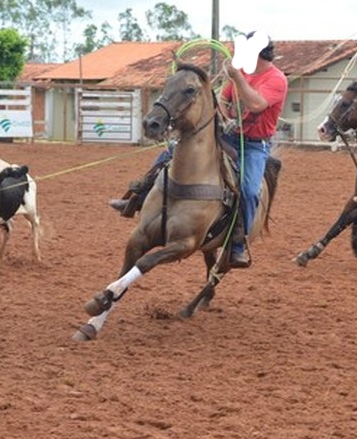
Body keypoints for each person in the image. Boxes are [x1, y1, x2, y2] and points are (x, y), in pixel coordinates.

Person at [110, 31, 288, 269]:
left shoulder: (276, 79)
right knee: (169, 154)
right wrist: (227, 117)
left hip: (254, 145)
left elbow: (256, 104)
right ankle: (135, 197)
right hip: (229, 135)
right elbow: (222, 100)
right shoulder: (243, 73)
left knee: (248, 188)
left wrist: (236, 78)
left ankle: (237, 244)